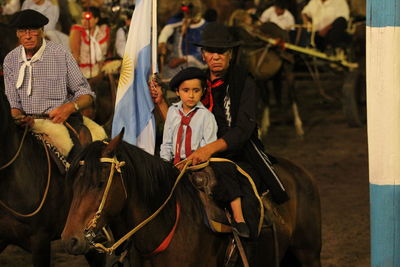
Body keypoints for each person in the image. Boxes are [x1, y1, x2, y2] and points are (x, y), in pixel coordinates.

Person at [151, 22, 289, 239]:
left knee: (245, 195)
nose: (215, 56)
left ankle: (250, 242)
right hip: (193, 152)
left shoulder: (244, 81)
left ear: (231, 53)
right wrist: (160, 103)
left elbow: (244, 129)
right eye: (210, 51)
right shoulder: (197, 82)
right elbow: (181, 121)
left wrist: (209, 150)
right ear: (203, 54)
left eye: (221, 51)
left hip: (236, 151)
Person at [159, 67, 250, 238]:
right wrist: (164, 164)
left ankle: (238, 219)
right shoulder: (172, 112)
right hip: (174, 164)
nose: (191, 95)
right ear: (178, 92)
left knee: (225, 174)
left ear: (202, 92)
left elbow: (207, 145)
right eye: (186, 90)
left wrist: (195, 161)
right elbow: (167, 142)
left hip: (196, 164)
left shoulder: (206, 117)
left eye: (196, 90)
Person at [3, 9, 94, 137]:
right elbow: (14, 104)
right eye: (22, 31)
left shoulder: (61, 54)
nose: (27, 36)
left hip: (60, 122)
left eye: (33, 31)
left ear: (42, 31)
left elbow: (86, 95)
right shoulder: (10, 60)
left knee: (81, 151)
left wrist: (69, 107)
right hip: (27, 125)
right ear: (17, 34)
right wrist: (19, 119)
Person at [158, 0, 207, 81]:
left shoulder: (205, 29)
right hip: (176, 64)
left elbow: (203, 53)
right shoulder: (180, 21)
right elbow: (168, 29)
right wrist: (162, 42)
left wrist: (182, 59)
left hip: (195, 65)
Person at [69, 6, 110, 79]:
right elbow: (75, 56)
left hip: (101, 71)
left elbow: (108, 52)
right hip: (84, 74)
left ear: (96, 19)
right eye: (82, 18)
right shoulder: (78, 31)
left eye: (88, 19)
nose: (84, 22)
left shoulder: (103, 31)